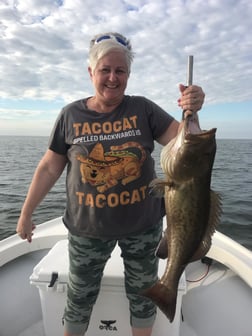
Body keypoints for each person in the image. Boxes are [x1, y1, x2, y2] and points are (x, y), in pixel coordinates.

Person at [16, 32, 205, 336]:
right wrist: (26, 213)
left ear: (129, 75)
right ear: (91, 72)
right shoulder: (71, 115)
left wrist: (192, 110)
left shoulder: (143, 109)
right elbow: (50, 167)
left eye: (121, 71)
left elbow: (189, 143)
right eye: (105, 70)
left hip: (142, 228)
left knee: (144, 296)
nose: (113, 78)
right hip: (87, 229)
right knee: (79, 297)